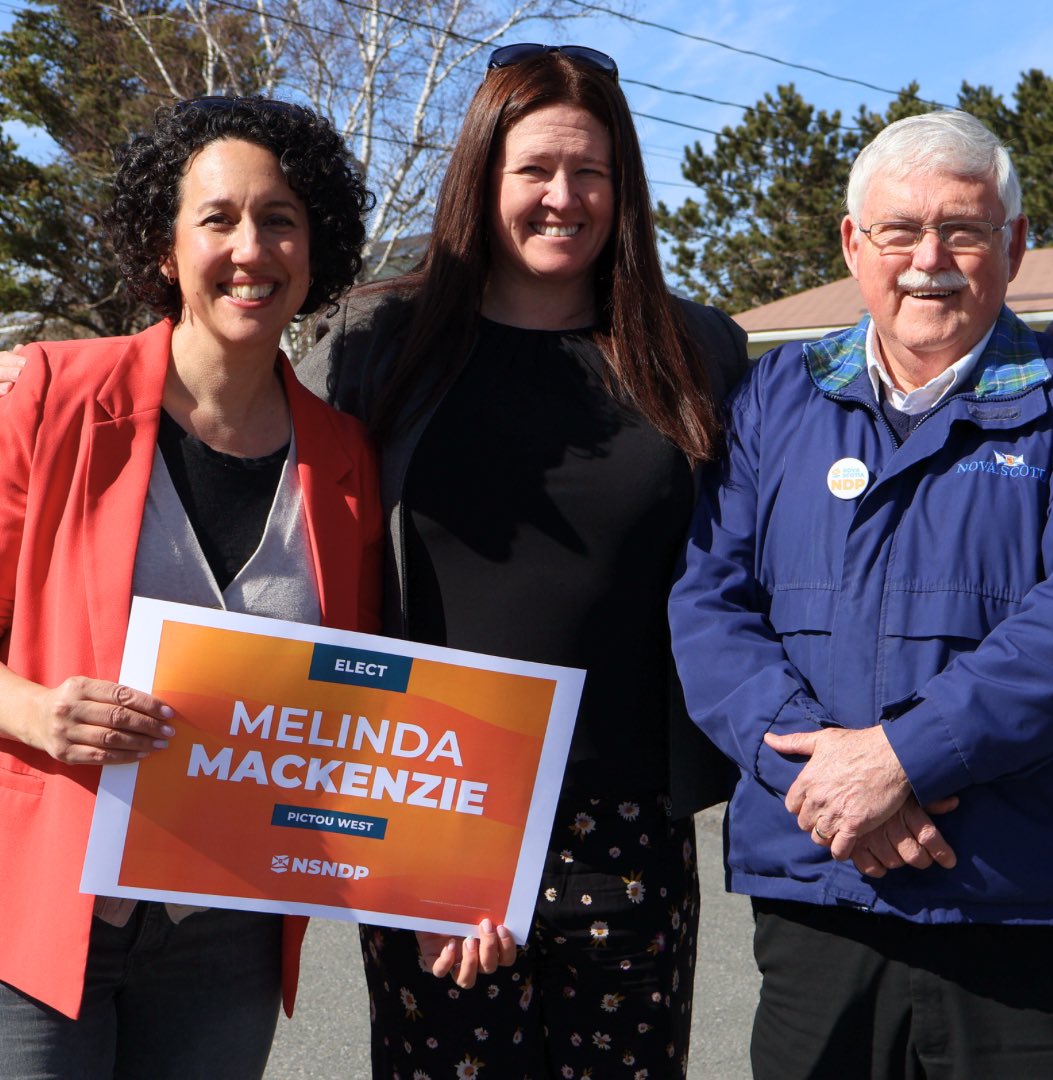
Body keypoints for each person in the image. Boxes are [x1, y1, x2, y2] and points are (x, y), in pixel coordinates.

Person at [297, 43, 748, 1079]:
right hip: (432, 811)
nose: (563, 196)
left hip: (629, 816)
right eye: (534, 169)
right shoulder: (380, 339)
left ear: (623, 187)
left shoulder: (698, 350)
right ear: (482, 177)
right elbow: (292, 533)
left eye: (589, 171)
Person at [669, 109, 1053, 1079]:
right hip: (821, 892)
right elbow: (709, 606)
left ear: (1015, 245)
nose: (928, 258)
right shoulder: (776, 400)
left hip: (1016, 905)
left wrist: (904, 756)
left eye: (964, 230)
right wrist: (825, 785)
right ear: (855, 244)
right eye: (899, 230)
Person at [0, 95, 385, 1079]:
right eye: (218, 218)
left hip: (230, 933)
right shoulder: (47, 398)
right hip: (43, 912)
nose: (250, 247)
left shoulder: (344, 459)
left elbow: (352, 698)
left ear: (316, 246)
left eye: (280, 219)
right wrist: (38, 713)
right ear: (167, 249)